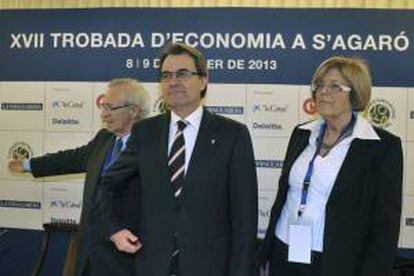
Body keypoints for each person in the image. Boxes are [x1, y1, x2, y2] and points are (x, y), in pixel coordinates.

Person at [100, 43, 258, 276]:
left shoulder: (232, 135)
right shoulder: (145, 133)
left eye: (183, 74)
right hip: (152, 265)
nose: (173, 82)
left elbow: (245, 220)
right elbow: (108, 185)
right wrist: (114, 229)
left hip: (210, 267)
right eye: (166, 75)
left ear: (203, 80)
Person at [257, 56, 403, 276]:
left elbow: (385, 227)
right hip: (284, 249)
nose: (323, 92)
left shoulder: (382, 147)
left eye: (335, 86)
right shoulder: (302, 133)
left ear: (355, 94)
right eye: (319, 85)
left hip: (336, 261)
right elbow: (285, 196)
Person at [8, 78, 150, 276]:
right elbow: (71, 159)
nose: (104, 114)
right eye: (103, 106)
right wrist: (28, 164)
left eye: (110, 107)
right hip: (89, 252)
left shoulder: (152, 147)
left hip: (126, 256)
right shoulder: (104, 139)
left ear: (133, 111)